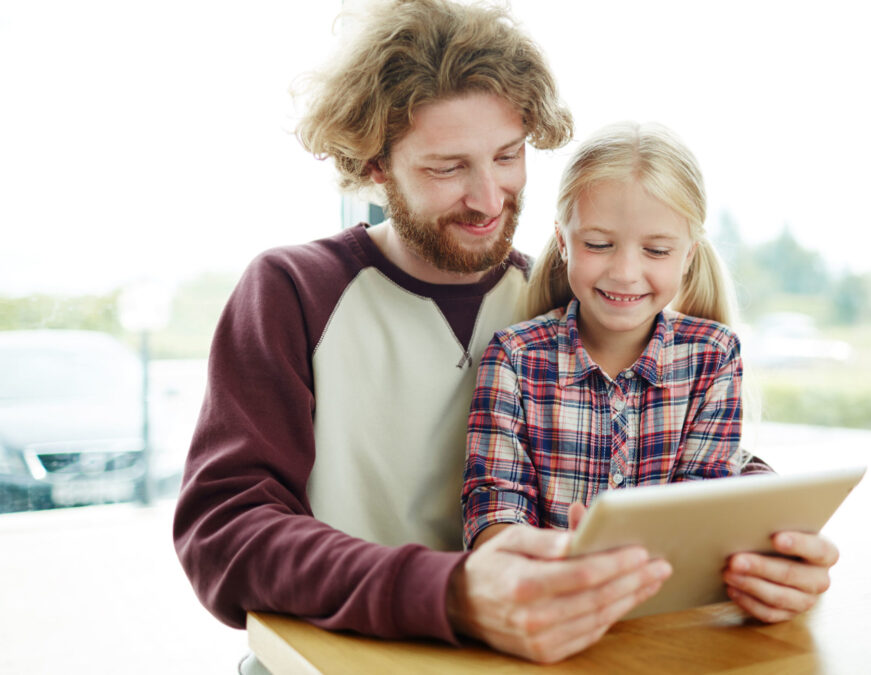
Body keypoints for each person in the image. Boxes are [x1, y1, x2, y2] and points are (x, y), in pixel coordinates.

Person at [173, 0, 672, 668]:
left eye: (507, 156)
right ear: (376, 164)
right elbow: (225, 534)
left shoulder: (560, 297)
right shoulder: (293, 291)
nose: (489, 198)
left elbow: (677, 428)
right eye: (447, 168)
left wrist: (766, 535)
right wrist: (452, 592)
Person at [462, 122, 839, 623]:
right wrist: (547, 561)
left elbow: (706, 504)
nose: (624, 272)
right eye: (598, 244)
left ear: (688, 255)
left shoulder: (713, 356)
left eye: (656, 251)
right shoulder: (514, 357)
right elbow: (494, 507)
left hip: (673, 623)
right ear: (563, 241)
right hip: (551, 614)